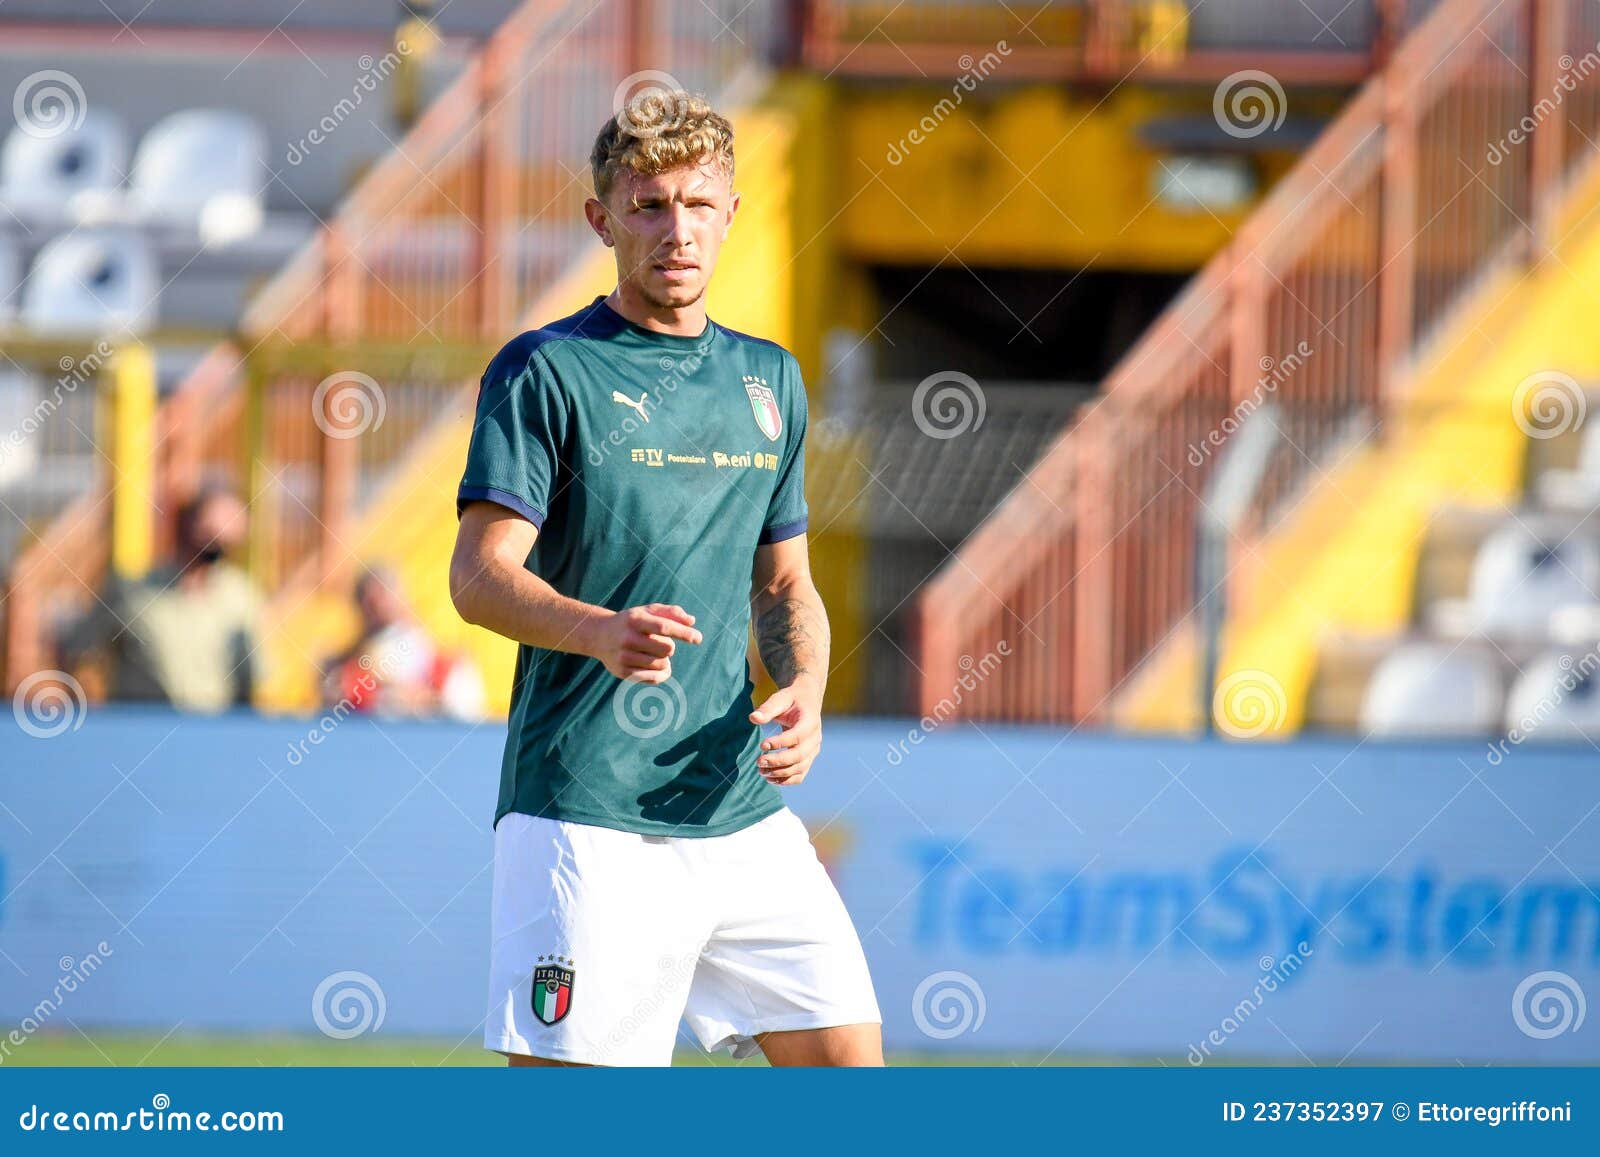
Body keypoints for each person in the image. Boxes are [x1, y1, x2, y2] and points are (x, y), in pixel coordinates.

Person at [449, 90, 882, 1067]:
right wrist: (599, 629)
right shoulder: (545, 370)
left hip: (736, 808)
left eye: (696, 204)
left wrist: (806, 688)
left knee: (853, 1074)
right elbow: (478, 577)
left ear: (733, 213)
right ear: (601, 219)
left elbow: (783, 587)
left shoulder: (770, 381)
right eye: (647, 206)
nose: (675, 230)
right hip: (585, 811)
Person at [60, 483, 262, 711]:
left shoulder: (241, 595)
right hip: (141, 727)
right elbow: (76, 649)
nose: (219, 539)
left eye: (230, 531)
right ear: (187, 524)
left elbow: (252, 679)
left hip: (211, 732)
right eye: (211, 528)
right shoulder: (131, 592)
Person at [319, 564, 485, 719]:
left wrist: (422, 700)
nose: (378, 607)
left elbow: (466, 718)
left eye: (383, 596)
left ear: (404, 599)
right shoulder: (341, 672)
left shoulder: (450, 670)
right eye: (369, 601)